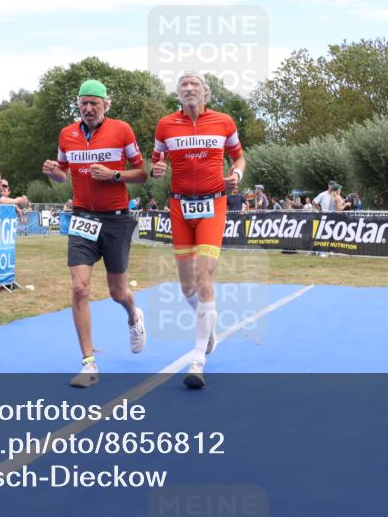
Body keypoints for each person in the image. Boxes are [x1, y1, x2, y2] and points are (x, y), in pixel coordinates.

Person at [41, 79, 148, 388]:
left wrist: (115, 174)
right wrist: (53, 173)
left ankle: (133, 315)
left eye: (94, 103)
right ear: (78, 104)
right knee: (79, 289)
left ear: (106, 105)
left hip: (115, 220)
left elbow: (141, 174)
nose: (88, 108)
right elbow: (63, 176)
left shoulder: (122, 130)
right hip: (82, 219)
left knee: (117, 292)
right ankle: (89, 363)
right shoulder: (67, 134)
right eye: (84, 103)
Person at [151, 71, 245, 389]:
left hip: (213, 206)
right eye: (184, 85)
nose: (189, 88)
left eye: (195, 84)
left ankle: (197, 359)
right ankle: (209, 324)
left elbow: (239, 157)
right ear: (178, 93)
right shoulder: (165, 125)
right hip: (179, 208)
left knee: (205, 279)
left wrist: (237, 175)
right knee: (187, 287)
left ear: (206, 92)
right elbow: (155, 162)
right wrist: (157, 168)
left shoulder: (223, 122)